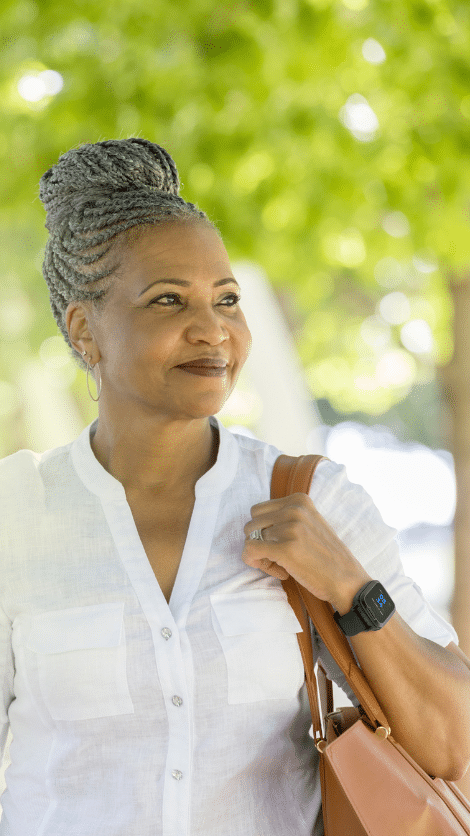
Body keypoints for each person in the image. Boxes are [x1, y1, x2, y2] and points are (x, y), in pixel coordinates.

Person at [0, 137, 469, 836]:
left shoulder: (315, 499)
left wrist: (349, 588)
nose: (213, 330)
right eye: (168, 300)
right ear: (84, 330)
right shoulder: (17, 512)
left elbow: (452, 742)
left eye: (227, 299)